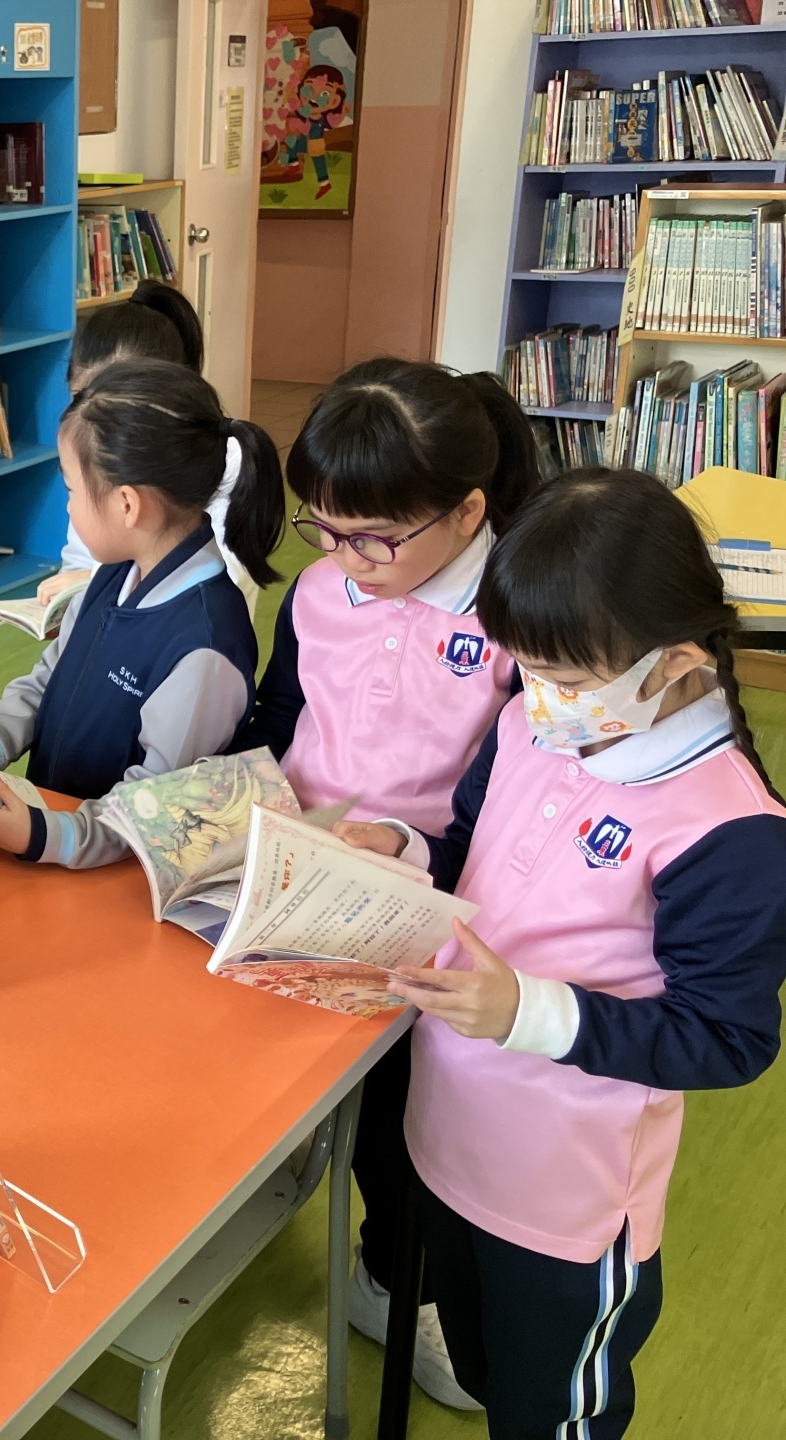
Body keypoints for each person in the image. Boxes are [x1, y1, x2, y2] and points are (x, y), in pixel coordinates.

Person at [334, 468, 786, 1438]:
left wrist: (528, 1013)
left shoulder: (728, 828)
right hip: (446, 1139)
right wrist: (400, 849)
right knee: (483, 1371)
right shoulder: (529, 724)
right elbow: (471, 850)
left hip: (563, 1204)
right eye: (527, 668)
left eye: (569, 681)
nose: (541, 700)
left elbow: (729, 1037)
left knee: (551, 1417)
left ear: (674, 661)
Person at [228, 356, 543, 1409]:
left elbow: (513, 814)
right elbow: (283, 717)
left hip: (435, 906)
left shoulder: (520, 625)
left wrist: (406, 851)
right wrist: (235, 802)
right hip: (300, 873)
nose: (344, 559)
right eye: (323, 529)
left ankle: (392, 1280)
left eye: (374, 537)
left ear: (468, 513)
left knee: (407, 1135)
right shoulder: (321, 591)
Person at [0, 359, 283, 867]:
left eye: (72, 489)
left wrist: (43, 835)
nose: (68, 507)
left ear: (127, 505)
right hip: (55, 837)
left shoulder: (204, 650)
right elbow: (45, 682)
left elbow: (152, 814)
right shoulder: (116, 571)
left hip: (109, 874)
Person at [36, 280, 259, 620]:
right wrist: (66, 601)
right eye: (80, 399)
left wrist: (94, 582)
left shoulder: (220, 455)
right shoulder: (90, 450)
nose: (92, 416)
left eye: (112, 401)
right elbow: (80, 556)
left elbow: (226, 575)